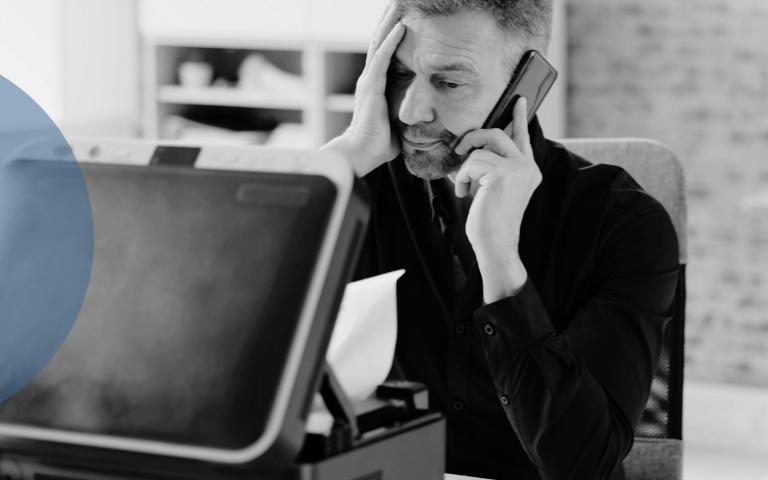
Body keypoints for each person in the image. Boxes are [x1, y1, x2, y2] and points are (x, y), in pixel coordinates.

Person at [322, 1, 680, 479]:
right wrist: (348, 153)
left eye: (449, 82)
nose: (410, 110)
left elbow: (585, 464)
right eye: (400, 74)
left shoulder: (623, 224)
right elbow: (217, 320)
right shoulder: (361, 186)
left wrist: (499, 260)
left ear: (524, 91)